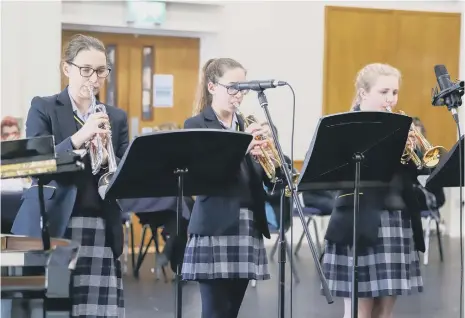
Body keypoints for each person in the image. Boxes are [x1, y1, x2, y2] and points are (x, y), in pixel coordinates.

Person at [11, 34, 129, 317]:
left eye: (101, 71)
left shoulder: (116, 116)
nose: (94, 78)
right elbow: (34, 166)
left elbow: (125, 171)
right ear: (67, 69)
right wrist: (80, 137)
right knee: (56, 310)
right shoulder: (44, 107)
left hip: (99, 225)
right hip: (54, 227)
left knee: (98, 311)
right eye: (85, 69)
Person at [322, 63, 424, 318]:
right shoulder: (343, 127)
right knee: (359, 311)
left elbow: (414, 176)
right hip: (358, 221)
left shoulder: (401, 126)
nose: (391, 99)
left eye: (394, 92)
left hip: (396, 219)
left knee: (385, 311)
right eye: (384, 92)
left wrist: (414, 152)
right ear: (363, 93)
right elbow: (336, 174)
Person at [181, 58, 273, 318]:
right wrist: (242, 149)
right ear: (212, 87)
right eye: (233, 87)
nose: (239, 94)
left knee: (232, 311)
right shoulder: (196, 125)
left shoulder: (248, 124)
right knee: (214, 312)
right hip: (214, 226)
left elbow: (267, 178)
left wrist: (269, 157)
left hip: (248, 223)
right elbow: (205, 176)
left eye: (243, 88)